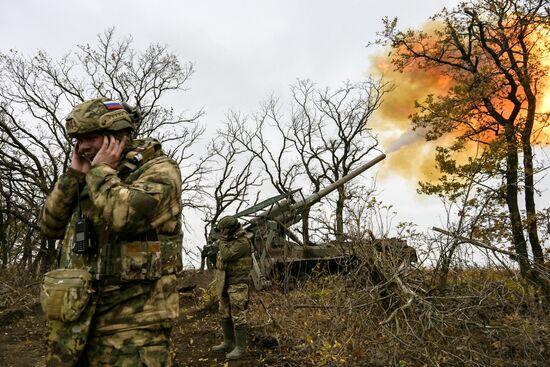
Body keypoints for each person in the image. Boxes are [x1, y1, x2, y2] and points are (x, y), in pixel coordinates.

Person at [39, 97, 183, 366]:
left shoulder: (159, 171)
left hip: (131, 329)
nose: (82, 147)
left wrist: (101, 172)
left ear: (117, 137)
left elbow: (124, 216)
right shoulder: (88, 176)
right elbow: (49, 226)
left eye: (89, 138)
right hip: (76, 322)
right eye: (77, 141)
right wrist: (73, 177)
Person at [211, 215, 252, 360]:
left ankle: (240, 348)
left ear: (229, 230)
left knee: (238, 314)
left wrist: (221, 241)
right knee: (224, 313)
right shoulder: (230, 240)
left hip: (237, 283)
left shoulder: (242, 242)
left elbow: (227, 255)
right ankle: (228, 342)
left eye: (223, 230)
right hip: (225, 281)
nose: (221, 233)